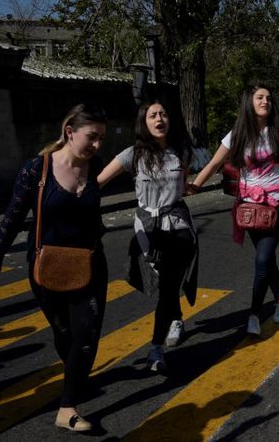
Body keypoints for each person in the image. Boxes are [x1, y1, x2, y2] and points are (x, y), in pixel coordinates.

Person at [0, 103, 108, 432]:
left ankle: (67, 407)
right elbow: (12, 216)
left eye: (101, 139)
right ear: (70, 132)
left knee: (86, 333)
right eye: (91, 137)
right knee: (64, 333)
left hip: (92, 263)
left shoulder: (96, 166)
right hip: (46, 265)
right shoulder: (36, 169)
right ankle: (74, 377)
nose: (97, 146)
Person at [188, 84, 279, 336]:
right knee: (267, 260)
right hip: (249, 207)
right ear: (249, 102)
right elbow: (214, 162)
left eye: (268, 97)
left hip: (276, 203)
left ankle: (254, 313)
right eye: (260, 97)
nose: (265, 101)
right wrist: (195, 185)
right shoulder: (237, 134)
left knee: (263, 259)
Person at [98, 101, 198, 372]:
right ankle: (175, 317)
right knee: (163, 283)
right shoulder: (133, 155)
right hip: (148, 229)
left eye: (163, 114)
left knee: (167, 286)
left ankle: (156, 348)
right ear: (144, 122)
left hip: (178, 227)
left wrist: (187, 187)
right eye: (152, 115)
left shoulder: (181, 152)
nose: (159, 119)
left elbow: (184, 184)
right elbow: (97, 183)